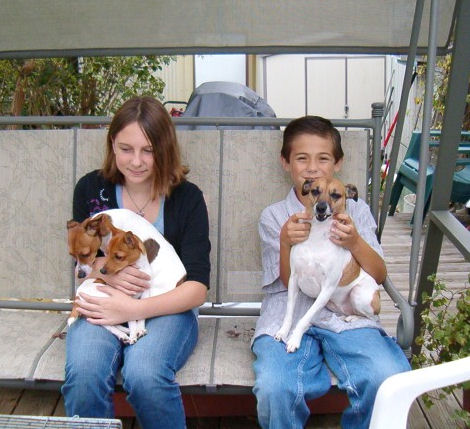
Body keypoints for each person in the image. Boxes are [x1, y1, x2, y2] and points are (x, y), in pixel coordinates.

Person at [62, 96, 210, 429]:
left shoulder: (187, 198)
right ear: (112, 144)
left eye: (149, 150)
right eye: (126, 148)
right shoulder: (91, 189)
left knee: (145, 375)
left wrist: (132, 311)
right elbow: (85, 262)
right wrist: (108, 276)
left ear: (165, 148)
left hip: (168, 307)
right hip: (105, 300)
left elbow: (197, 288)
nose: (137, 161)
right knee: (84, 374)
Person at [252, 116, 410, 429]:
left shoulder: (356, 210)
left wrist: (355, 242)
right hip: (291, 310)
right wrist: (285, 243)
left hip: (347, 311)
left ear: (337, 163)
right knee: (275, 386)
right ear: (286, 163)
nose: (312, 168)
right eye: (301, 158)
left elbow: (377, 274)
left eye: (323, 158)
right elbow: (287, 282)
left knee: (387, 376)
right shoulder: (274, 216)